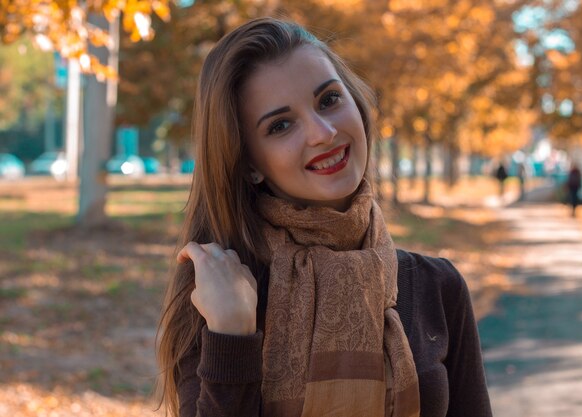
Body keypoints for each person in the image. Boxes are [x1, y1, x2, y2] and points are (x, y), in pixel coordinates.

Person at [156, 17, 492, 417]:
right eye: (281, 125)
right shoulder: (222, 293)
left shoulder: (437, 288)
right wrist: (231, 333)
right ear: (249, 165)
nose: (322, 132)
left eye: (329, 100)